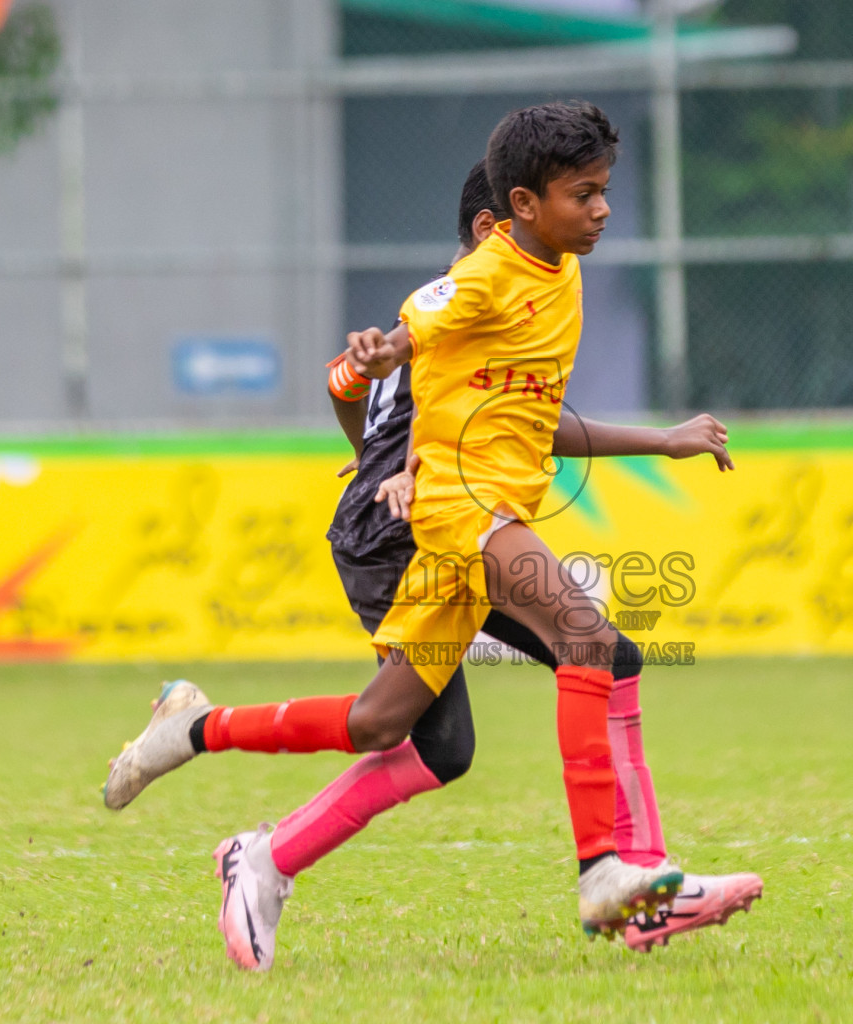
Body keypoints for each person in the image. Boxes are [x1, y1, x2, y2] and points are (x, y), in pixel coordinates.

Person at [103, 102, 709, 970]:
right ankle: (619, 870)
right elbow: (359, 369)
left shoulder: (541, 291)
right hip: (401, 529)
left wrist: (659, 439)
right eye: (585, 195)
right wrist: (382, 448)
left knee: (417, 729)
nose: (601, 210)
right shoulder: (472, 295)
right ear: (499, 220)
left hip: (442, 512)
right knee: (587, 648)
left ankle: (209, 756)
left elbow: (534, 421)